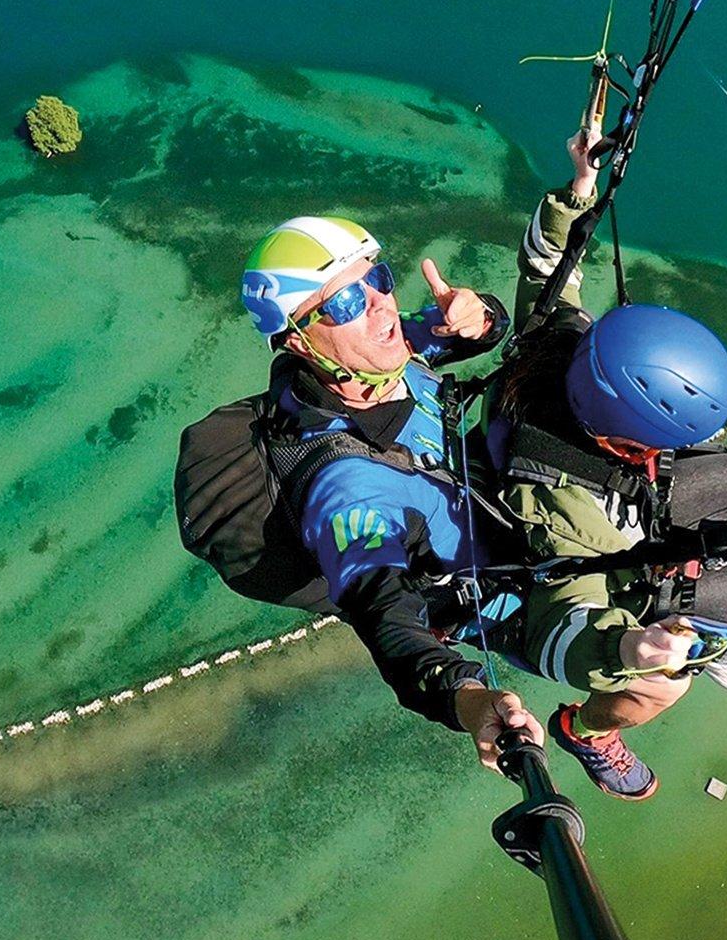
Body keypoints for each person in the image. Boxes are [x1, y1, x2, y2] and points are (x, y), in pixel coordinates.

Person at [484, 129, 727, 800]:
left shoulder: (559, 343)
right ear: (627, 442)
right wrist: (630, 651)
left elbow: (548, 267)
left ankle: (697, 611)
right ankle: (590, 733)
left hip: (624, 509)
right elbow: (557, 631)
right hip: (604, 579)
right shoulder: (566, 512)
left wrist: (579, 191)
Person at [179, 214, 545, 771]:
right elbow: (383, 614)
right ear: (298, 341)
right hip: (512, 597)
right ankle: (593, 735)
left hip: (511, 502)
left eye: (381, 279)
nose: (381, 306)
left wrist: (481, 316)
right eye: (347, 302)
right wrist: (469, 701)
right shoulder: (342, 485)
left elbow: (465, 332)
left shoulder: (380, 358)